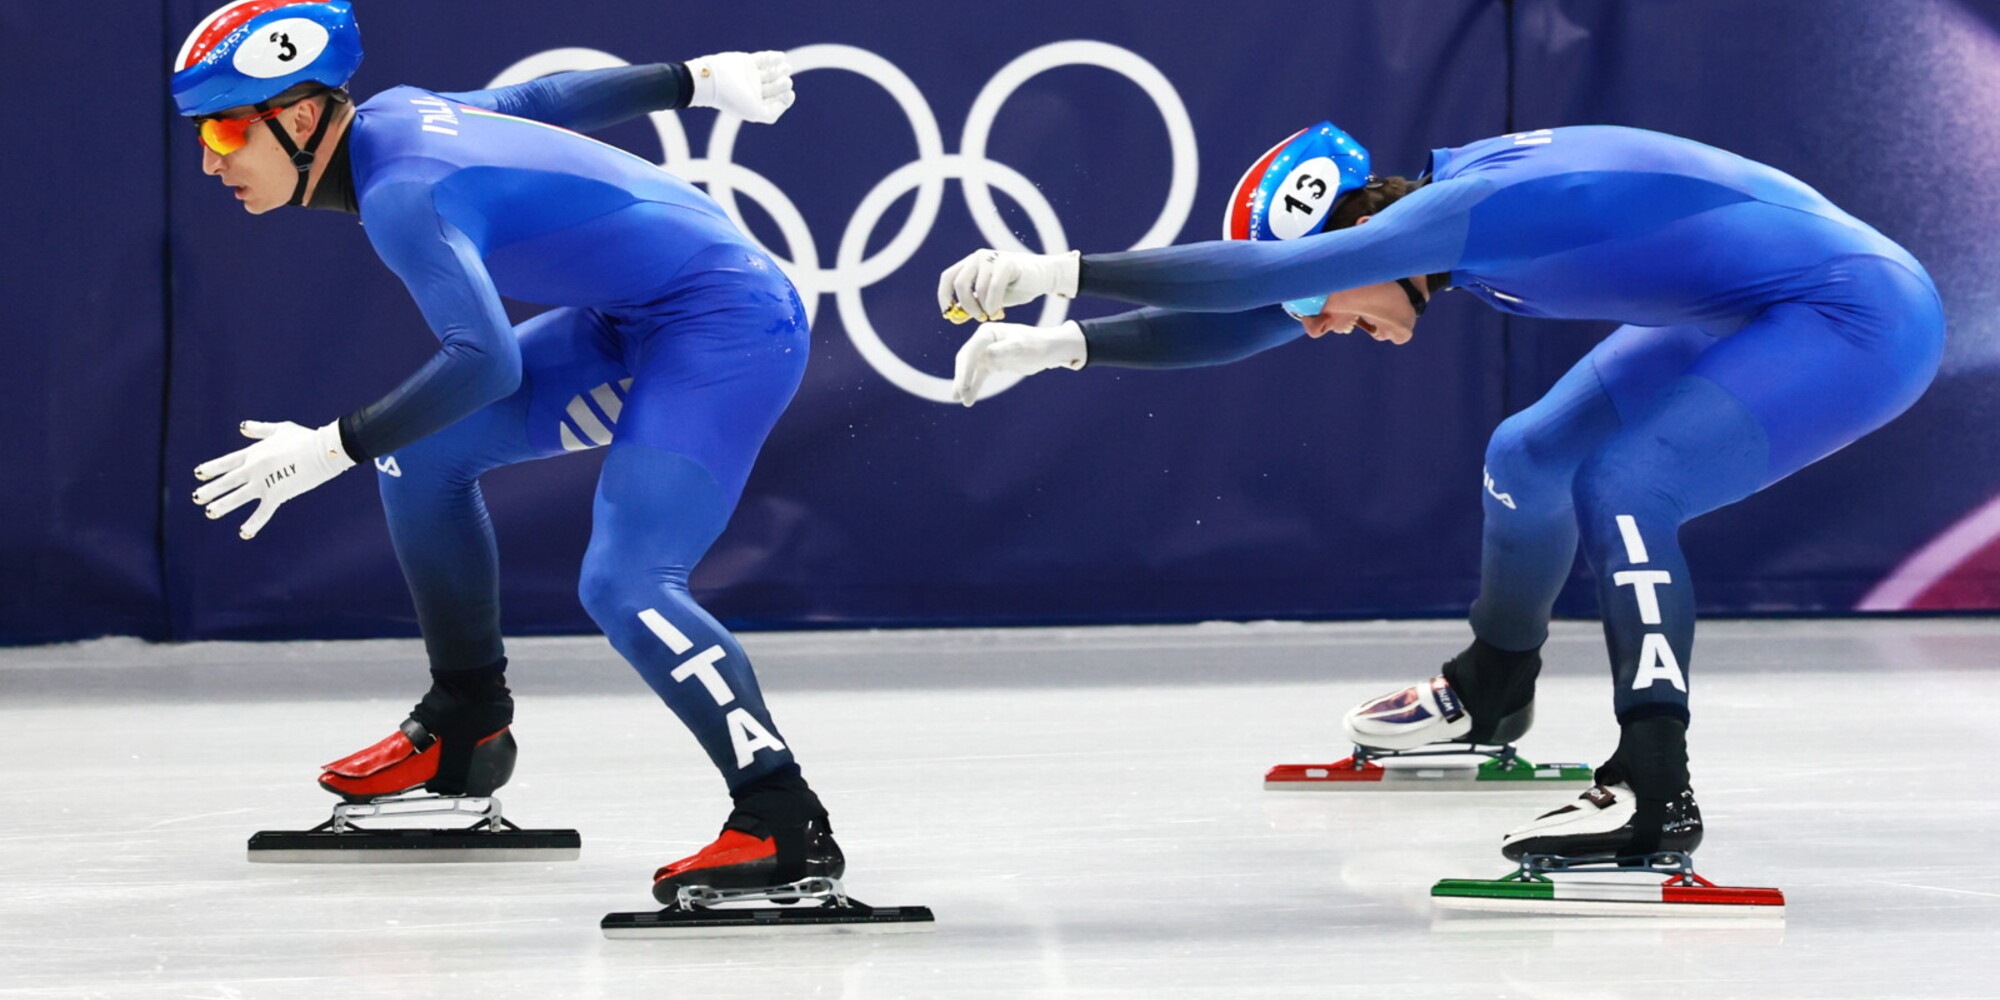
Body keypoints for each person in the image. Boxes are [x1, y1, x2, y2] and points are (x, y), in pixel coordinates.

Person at [938, 120, 1944, 862]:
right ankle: (1491, 689)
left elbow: (1247, 288)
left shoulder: (1470, 205)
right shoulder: (1432, 228)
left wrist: (1059, 270)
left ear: (1358, 225)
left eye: (1313, 293)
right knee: (1528, 455)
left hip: (1850, 313)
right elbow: (1253, 314)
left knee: (1628, 485)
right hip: (1745, 305)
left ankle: (1651, 784)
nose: (1318, 326)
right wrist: (1064, 343)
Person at [175, 0, 837, 902]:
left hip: (729, 326)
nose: (210, 159)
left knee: (626, 583)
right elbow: (542, 97)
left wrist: (333, 448)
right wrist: (691, 80)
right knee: (424, 455)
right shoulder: (394, 114)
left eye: (222, 127)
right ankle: (466, 724)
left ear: (298, 119)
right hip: (636, 317)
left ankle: (781, 815)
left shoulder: (401, 191)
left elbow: (482, 361)